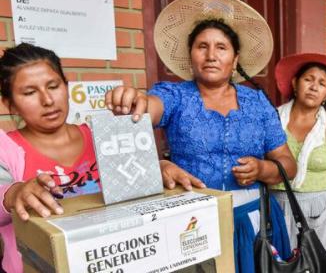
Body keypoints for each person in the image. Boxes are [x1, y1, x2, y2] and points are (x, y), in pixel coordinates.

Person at [105, 0, 297, 272]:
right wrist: (135, 100)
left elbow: (288, 165)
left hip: (253, 221)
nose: (211, 55)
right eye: (202, 46)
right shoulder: (175, 95)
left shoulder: (258, 103)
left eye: (221, 47)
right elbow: (151, 107)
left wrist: (262, 169)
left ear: (235, 58)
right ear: (190, 54)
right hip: (189, 224)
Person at [0, 43, 197, 273]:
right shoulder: (5, 147)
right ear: (9, 102)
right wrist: (13, 194)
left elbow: (133, 190)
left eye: (53, 86)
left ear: (66, 86)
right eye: (30, 92)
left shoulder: (100, 136)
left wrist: (157, 169)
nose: (47, 100)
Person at [270, 53, 326, 273]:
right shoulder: (273, 118)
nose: (314, 87)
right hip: (276, 206)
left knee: (317, 266)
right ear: (295, 83)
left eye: (322, 84)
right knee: (276, 265)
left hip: (319, 210)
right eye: (308, 79)